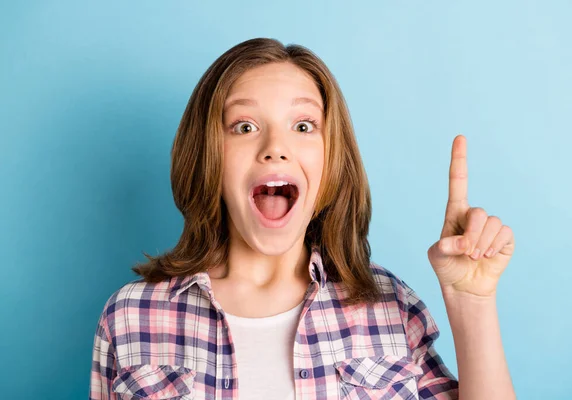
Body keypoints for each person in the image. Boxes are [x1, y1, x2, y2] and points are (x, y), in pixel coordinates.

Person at [89, 37, 516, 400]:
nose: (276, 147)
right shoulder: (130, 317)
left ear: (331, 161)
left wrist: (473, 305)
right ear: (207, 156)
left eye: (304, 125)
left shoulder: (390, 307)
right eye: (244, 126)